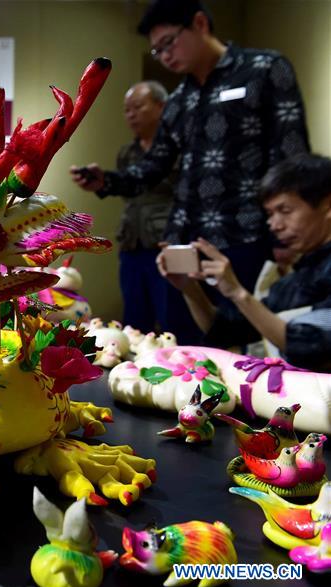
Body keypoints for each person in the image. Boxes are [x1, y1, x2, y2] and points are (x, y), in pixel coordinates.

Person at [71, 0, 310, 333]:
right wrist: (107, 181)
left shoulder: (265, 69)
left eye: (168, 43)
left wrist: (288, 232)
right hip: (186, 242)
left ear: (199, 23)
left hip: (249, 234)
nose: (165, 56)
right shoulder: (180, 99)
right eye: (157, 51)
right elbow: (154, 166)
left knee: (250, 348)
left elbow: (292, 157)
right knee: (186, 349)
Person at [157, 154, 331, 372]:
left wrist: (238, 293)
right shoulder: (294, 280)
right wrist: (188, 287)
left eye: (285, 211)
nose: (274, 225)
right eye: (269, 214)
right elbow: (224, 332)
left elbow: (312, 348)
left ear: (327, 205)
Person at [107, 80, 178, 334]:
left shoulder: (178, 149)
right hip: (132, 245)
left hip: (165, 245)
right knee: (135, 320)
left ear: (161, 107)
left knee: (173, 318)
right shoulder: (127, 153)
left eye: (137, 107)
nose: (131, 115)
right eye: (127, 109)